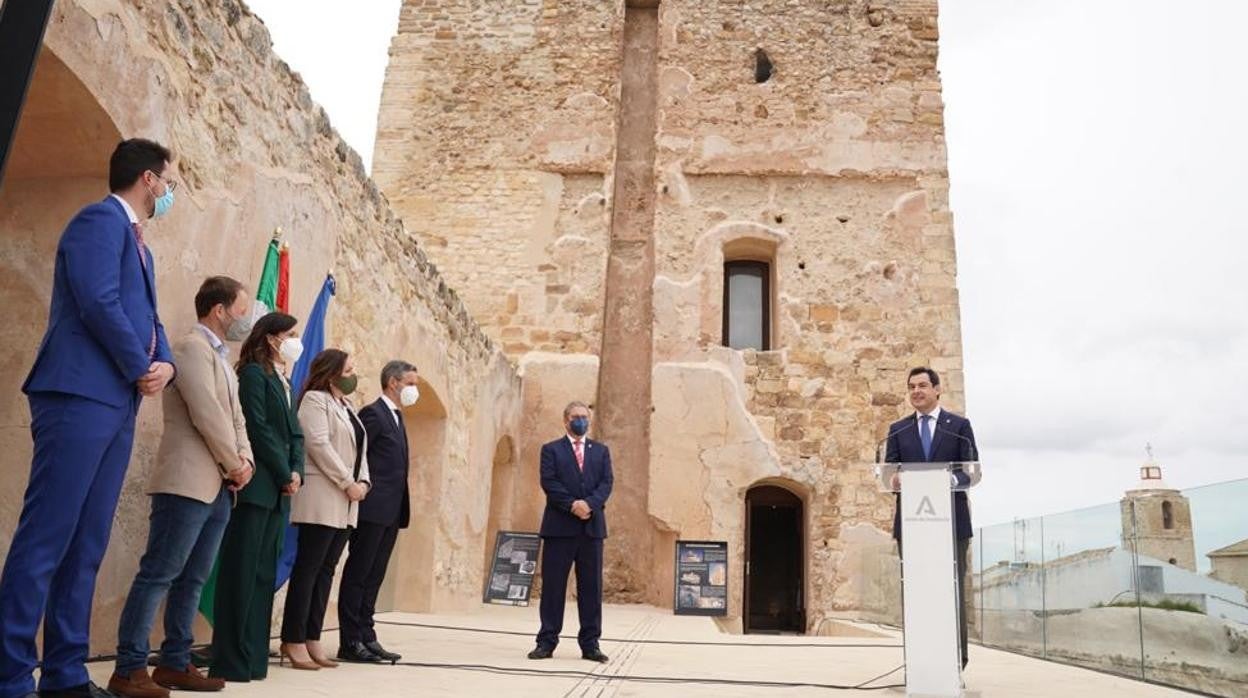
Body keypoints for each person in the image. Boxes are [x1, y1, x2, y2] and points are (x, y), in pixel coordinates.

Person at [0, 138, 178, 698]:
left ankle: (65, 673)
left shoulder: (143, 249)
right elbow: (97, 300)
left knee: (87, 543)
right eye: (168, 181)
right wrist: (140, 366)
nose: (169, 191)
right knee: (47, 537)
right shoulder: (98, 221)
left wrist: (167, 364)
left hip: (118, 402)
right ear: (148, 179)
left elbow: (150, 319)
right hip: (77, 394)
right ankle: (10, 674)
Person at [108, 277, 256, 698]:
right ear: (219, 310)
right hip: (187, 482)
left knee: (193, 579)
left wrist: (245, 461)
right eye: (241, 310)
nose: (246, 319)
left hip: (220, 487)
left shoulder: (223, 358)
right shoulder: (190, 347)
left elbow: (237, 417)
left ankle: (174, 661)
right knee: (158, 574)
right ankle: (129, 667)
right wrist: (234, 462)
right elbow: (207, 413)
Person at [209, 313, 304, 682]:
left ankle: (253, 659)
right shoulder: (252, 374)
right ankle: (230, 659)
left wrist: (296, 471)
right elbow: (258, 428)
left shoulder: (284, 380)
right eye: (289, 334)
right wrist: (283, 472)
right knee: (241, 573)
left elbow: (295, 433)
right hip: (258, 488)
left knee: (263, 575)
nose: (294, 340)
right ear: (270, 338)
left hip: (280, 492)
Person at [280, 349, 371, 670]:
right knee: (309, 568)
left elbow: (361, 450)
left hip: (347, 501)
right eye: (348, 370)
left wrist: (364, 482)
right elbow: (318, 444)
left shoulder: (347, 406)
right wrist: (347, 481)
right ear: (331, 373)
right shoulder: (314, 400)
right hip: (323, 495)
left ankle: (312, 636)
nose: (352, 375)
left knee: (326, 570)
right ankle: (293, 638)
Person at [885, 366, 978, 670]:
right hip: (913, 525)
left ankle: (956, 662)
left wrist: (945, 481)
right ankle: (919, 663)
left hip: (952, 524)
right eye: (911, 386)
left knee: (952, 591)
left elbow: (971, 471)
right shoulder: (898, 430)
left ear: (937, 390)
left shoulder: (959, 426)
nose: (916, 391)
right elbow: (888, 473)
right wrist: (895, 479)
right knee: (916, 594)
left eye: (922, 385)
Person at [338, 361, 419, 664]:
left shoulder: (397, 416)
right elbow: (356, 454)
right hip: (372, 508)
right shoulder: (373, 413)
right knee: (359, 573)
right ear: (393, 382)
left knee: (375, 576)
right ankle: (350, 640)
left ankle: (367, 635)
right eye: (411, 383)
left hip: (392, 510)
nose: (414, 389)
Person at [528, 402, 613, 663]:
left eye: (584, 417)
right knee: (553, 588)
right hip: (559, 529)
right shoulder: (551, 450)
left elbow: (606, 483)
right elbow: (549, 482)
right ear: (566, 420)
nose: (581, 421)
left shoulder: (601, 451)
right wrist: (572, 505)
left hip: (591, 529)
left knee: (591, 589)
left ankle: (590, 644)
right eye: (576, 417)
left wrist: (589, 504)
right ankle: (546, 642)